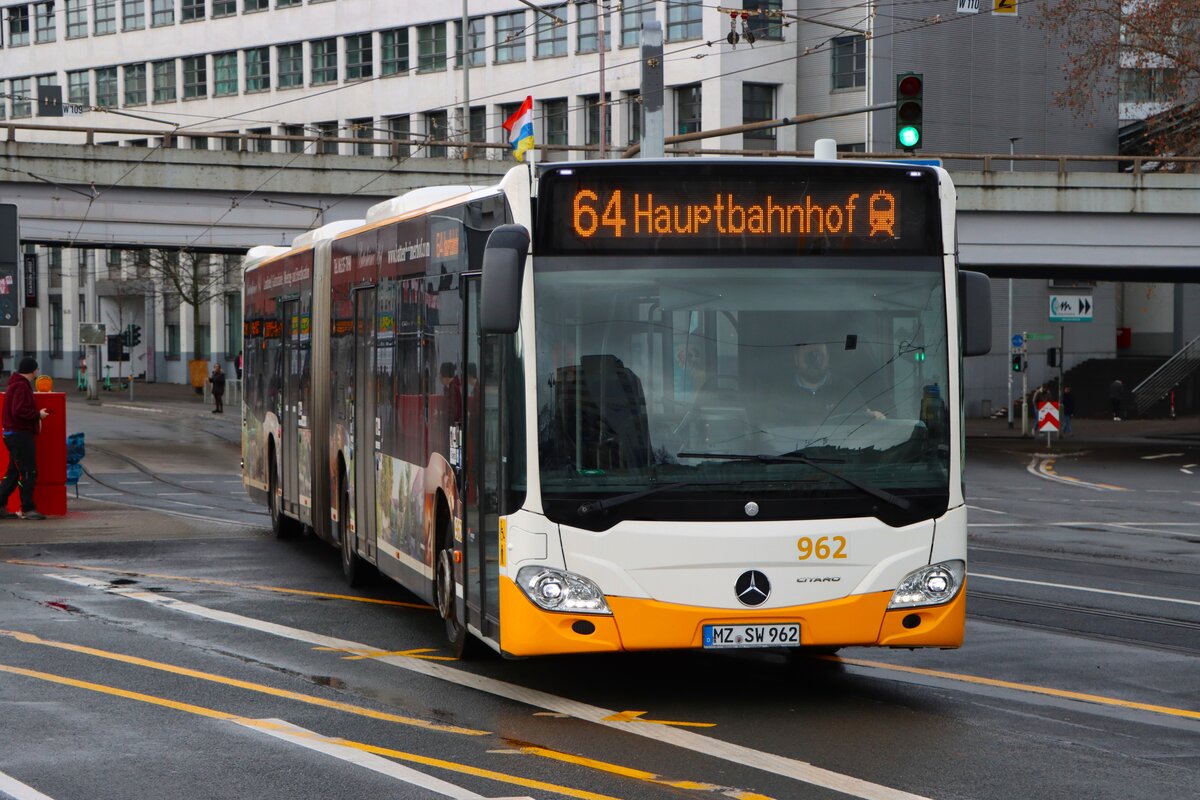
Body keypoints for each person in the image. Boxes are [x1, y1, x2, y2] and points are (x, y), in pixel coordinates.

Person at [774, 342, 885, 425]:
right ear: (796, 359)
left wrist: (874, 417)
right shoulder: (780, 391)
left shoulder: (845, 388)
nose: (815, 361)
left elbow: (862, 420)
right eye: (809, 357)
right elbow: (767, 426)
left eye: (819, 356)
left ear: (828, 358)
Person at [0, 357, 51, 520]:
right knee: (29, 472)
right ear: (32, 370)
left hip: (12, 434)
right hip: (20, 435)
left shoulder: (15, 385)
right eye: (36, 369)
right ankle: (28, 509)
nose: (37, 372)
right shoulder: (21, 387)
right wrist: (38, 415)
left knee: (14, 473)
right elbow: (19, 410)